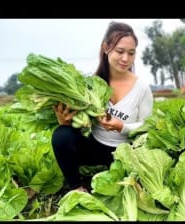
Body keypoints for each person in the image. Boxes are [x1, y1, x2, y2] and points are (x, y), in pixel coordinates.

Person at [51, 21, 154, 193]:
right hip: (96, 147)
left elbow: (147, 127)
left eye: (131, 53)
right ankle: (77, 187)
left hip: (126, 152)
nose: (125, 59)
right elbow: (79, 118)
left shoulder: (142, 89)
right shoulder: (91, 84)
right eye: (120, 51)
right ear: (106, 48)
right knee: (61, 135)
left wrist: (122, 126)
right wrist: (66, 121)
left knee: (132, 182)